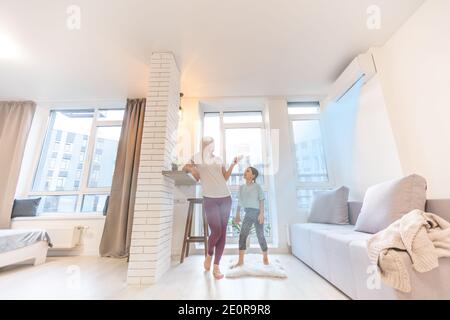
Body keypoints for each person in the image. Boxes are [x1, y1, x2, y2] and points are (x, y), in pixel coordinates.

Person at [183, 137, 239, 279]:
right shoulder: (197, 157)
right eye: (206, 143)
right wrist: (192, 168)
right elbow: (184, 167)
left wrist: (232, 165)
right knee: (217, 230)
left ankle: (216, 267)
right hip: (210, 199)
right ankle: (209, 255)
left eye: (210, 143)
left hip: (226, 198)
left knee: (223, 232)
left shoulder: (218, 159)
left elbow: (225, 177)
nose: (209, 146)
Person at [233, 167, 269, 267]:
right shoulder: (241, 188)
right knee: (242, 235)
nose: (245, 171)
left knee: (260, 235)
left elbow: (261, 200)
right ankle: (240, 261)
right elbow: (239, 202)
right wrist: (237, 214)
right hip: (248, 213)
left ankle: (265, 256)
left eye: (248, 170)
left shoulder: (257, 187)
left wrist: (262, 214)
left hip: (257, 213)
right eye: (245, 170)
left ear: (253, 176)